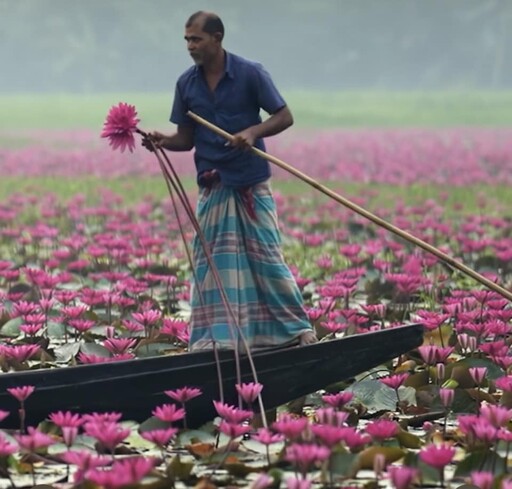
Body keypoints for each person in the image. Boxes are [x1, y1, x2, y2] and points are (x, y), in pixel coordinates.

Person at [143, 11, 317, 351]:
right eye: (187, 40)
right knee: (213, 265)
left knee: (266, 258)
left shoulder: (250, 73)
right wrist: (162, 140)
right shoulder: (186, 84)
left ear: (217, 38)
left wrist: (253, 132)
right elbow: (186, 138)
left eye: (197, 39)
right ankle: (219, 340)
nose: (191, 46)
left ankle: (296, 330)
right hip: (214, 185)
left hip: (250, 181)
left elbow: (284, 116)